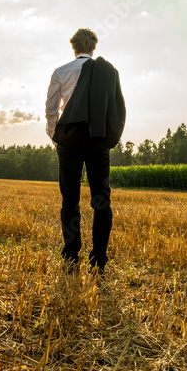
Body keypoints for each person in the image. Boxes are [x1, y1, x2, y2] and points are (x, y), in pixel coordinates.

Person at [45, 28, 126, 276]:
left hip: (69, 139)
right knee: (101, 200)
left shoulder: (61, 72)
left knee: (70, 199)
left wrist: (55, 137)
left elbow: (51, 110)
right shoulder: (109, 72)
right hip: (98, 138)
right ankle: (99, 259)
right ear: (93, 47)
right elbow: (117, 107)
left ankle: (71, 254)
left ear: (73, 47)